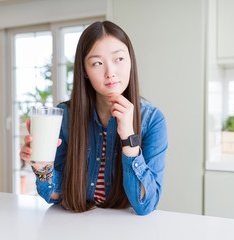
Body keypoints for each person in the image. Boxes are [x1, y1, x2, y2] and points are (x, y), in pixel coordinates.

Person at [20, 21, 168, 215]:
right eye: (97, 63)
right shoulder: (67, 116)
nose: (110, 73)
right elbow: (58, 195)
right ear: (84, 71)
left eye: (119, 59)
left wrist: (129, 138)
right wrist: (42, 168)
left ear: (131, 61)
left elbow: (145, 205)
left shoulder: (152, 120)